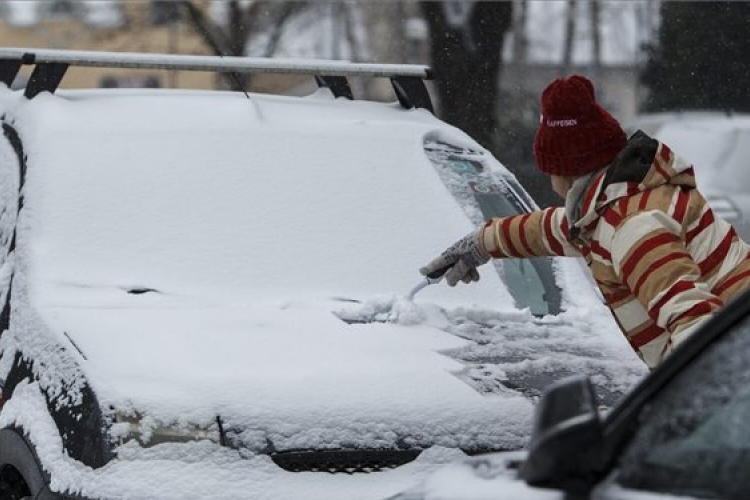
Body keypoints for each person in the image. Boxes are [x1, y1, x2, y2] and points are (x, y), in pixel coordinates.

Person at [420, 75, 750, 369]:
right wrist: (483, 241)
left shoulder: (632, 227)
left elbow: (698, 330)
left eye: (547, 168)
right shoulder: (618, 204)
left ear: (564, 171)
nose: (548, 180)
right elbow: (556, 229)